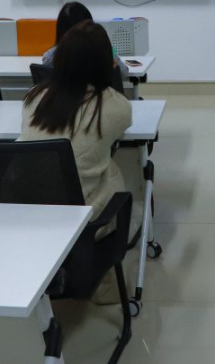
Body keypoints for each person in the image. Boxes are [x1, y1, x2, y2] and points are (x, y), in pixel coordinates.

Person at [20, 21, 133, 219]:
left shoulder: (35, 96)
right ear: (107, 62)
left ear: (60, 57)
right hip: (75, 218)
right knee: (114, 168)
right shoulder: (115, 106)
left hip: (25, 207)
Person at [43, 1, 129, 76]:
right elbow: (123, 72)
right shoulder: (104, 50)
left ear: (60, 29)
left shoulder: (51, 56)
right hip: (99, 90)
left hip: (64, 91)